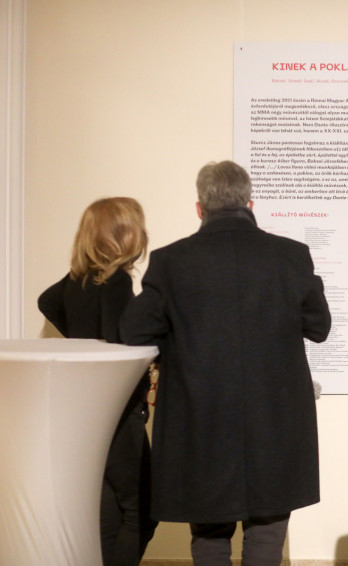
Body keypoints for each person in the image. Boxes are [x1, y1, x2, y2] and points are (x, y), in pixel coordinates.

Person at [119, 160, 331, 566]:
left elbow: (134, 332)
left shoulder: (171, 261)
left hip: (201, 422)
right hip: (276, 421)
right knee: (267, 535)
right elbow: (319, 327)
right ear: (250, 203)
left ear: (200, 208)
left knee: (209, 537)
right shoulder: (291, 256)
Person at [38, 197, 157, 566]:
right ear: (124, 235)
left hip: (83, 412)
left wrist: (80, 339)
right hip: (116, 412)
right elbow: (118, 342)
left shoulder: (77, 281)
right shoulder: (117, 282)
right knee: (141, 509)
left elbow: (46, 301)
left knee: (109, 509)